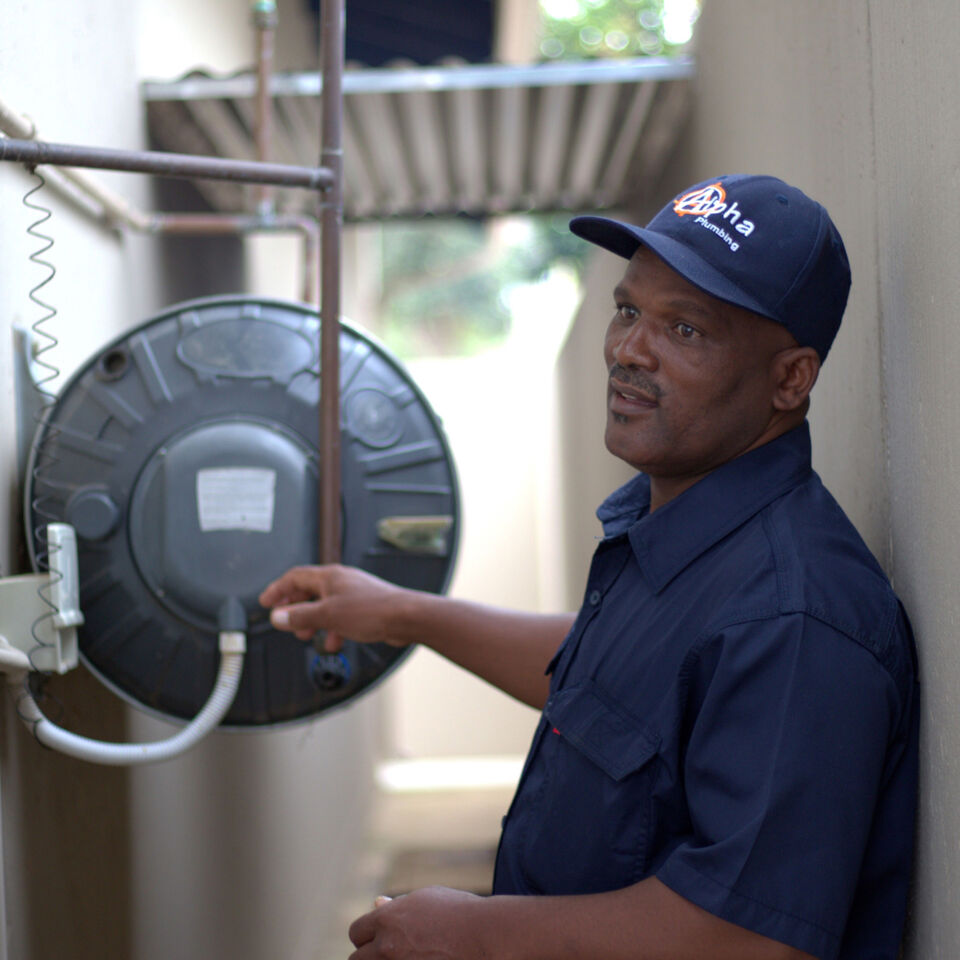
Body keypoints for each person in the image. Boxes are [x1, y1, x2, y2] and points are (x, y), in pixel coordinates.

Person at [259, 175, 919, 960]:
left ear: (789, 379)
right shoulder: (682, 534)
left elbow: (748, 937)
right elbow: (611, 692)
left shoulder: (795, 620)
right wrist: (406, 613)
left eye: (686, 330)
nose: (629, 349)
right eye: (629, 309)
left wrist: (475, 934)